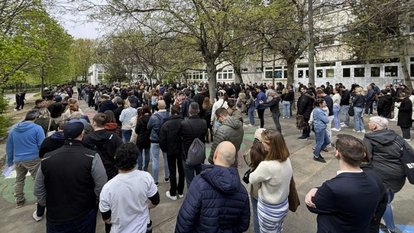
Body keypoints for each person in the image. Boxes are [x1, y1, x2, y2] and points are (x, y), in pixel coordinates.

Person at [33, 120, 107, 231]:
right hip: (84, 211)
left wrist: (48, 204)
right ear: (82, 134)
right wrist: (94, 202)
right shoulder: (91, 156)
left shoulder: (47, 158)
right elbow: (101, 184)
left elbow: (38, 188)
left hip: (56, 215)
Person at [305, 134, 381, 233]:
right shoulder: (374, 180)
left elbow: (314, 206)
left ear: (337, 153)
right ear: (363, 155)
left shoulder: (332, 187)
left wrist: (314, 191)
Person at [175, 141, 250, 233]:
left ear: (215, 155)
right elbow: (244, 225)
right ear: (234, 160)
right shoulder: (242, 191)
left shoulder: (198, 184)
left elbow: (185, 220)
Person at [99, 143, 159, 233]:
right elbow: (155, 201)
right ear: (135, 160)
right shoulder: (146, 177)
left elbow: (106, 219)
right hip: (142, 228)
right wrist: (144, 208)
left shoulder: (107, 188)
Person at [363, 116, 407, 233]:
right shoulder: (396, 136)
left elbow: (366, 158)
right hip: (398, 175)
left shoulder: (369, 138)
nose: (368, 124)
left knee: (384, 201)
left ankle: (391, 228)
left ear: (375, 126)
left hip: (382, 176)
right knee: (387, 198)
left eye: (370, 122)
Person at [248, 129, 292, 233]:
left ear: (269, 145)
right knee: (278, 229)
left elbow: (251, 178)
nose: (261, 144)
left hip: (269, 209)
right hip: (283, 204)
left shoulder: (267, 166)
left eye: (262, 142)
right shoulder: (286, 159)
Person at [6, 109, 45, 208]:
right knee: (38, 179)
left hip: (18, 159)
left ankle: (19, 200)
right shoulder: (37, 128)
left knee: (19, 180)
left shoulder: (14, 129)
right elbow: (42, 144)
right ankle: (40, 199)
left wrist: (9, 161)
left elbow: (9, 147)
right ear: (36, 118)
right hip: (33, 158)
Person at [83, 113, 123, 180]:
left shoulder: (88, 138)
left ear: (94, 123)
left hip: (94, 169)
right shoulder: (114, 137)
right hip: (111, 168)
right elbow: (121, 152)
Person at [242, 128, 267, 233]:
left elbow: (247, 160)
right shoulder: (273, 151)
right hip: (270, 192)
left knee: (257, 215)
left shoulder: (252, 153)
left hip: (256, 189)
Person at [159, 105, 185, 200]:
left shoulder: (166, 124)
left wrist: (165, 149)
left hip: (170, 150)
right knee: (182, 170)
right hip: (181, 150)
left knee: (172, 171)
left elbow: (162, 139)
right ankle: (180, 191)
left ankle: (173, 192)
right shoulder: (184, 123)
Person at [180, 102, 208, 186]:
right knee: (200, 178)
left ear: (189, 110)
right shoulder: (203, 122)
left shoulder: (184, 124)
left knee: (190, 180)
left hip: (187, 154)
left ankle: (192, 196)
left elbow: (180, 137)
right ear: (198, 110)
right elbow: (205, 134)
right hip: (200, 154)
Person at [147, 100, 170, 185]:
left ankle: (155, 180)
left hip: (154, 140)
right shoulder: (169, 115)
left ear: (157, 106)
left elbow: (148, 127)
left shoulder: (153, 117)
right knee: (166, 159)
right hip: (166, 140)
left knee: (155, 160)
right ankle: (167, 177)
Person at [312, 98, 330, 163]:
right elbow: (326, 120)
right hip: (319, 128)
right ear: (320, 104)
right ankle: (316, 156)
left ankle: (317, 151)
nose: (325, 103)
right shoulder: (318, 111)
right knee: (320, 142)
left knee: (327, 141)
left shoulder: (320, 109)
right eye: (324, 102)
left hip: (322, 127)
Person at [135, 105, 152, 171]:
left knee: (139, 153)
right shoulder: (151, 118)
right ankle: (146, 168)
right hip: (148, 138)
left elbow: (136, 130)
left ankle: (139, 167)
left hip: (140, 138)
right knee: (147, 153)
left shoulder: (140, 119)